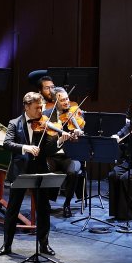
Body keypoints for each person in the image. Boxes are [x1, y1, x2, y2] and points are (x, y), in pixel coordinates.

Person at [0, 92, 72, 256]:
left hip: (39, 171)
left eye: (42, 107)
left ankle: (44, 244)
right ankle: (6, 245)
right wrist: (26, 147)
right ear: (26, 107)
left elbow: (48, 150)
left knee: (44, 209)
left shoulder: (44, 124)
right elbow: (7, 143)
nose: (41, 111)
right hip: (20, 172)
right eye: (37, 107)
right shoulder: (14, 123)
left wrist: (60, 140)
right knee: (12, 209)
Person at [44, 88, 84, 218]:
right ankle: (45, 203)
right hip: (52, 156)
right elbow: (44, 140)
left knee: (73, 172)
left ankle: (67, 204)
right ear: (55, 102)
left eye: (67, 99)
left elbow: (83, 140)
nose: (67, 102)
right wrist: (59, 139)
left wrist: (78, 134)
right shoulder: (47, 115)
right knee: (41, 168)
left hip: (70, 156)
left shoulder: (75, 114)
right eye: (62, 100)